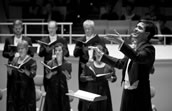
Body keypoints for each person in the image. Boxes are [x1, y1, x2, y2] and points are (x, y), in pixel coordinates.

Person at [94, 19, 157, 111]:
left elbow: (138, 57)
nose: (135, 29)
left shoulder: (149, 49)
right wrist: (103, 57)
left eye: (140, 28)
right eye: (136, 26)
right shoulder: (133, 49)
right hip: (127, 90)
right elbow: (120, 64)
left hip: (139, 92)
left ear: (147, 34)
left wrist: (121, 43)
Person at [73, 20, 109, 111]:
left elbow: (106, 53)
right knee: (83, 91)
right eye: (85, 29)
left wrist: (98, 49)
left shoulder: (99, 40)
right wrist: (81, 47)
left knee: (94, 91)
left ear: (93, 29)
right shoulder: (80, 40)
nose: (87, 31)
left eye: (89, 29)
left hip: (96, 69)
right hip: (83, 70)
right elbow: (75, 54)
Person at [2, 19, 34, 111]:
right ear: (13, 29)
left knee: (24, 92)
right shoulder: (9, 39)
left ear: (22, 28)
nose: (18, 30)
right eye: (16, 28)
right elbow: (4, 53)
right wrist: (11, 54)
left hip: (24, 68)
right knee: (12, 91)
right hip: (12, 68)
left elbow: (31, 54)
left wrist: (24, 55)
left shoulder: (28, 39)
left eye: (19, 28)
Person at [80, 44, 117, 111]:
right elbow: (82, 77)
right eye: (97, 52)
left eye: (100, 52)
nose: (99, 54)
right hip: (91, 92)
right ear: (94, 54)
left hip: (103, 92)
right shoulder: (89, 65)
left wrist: (111, 79)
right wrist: (89, 78)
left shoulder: (108, 66)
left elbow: (114, 78)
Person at [38, 20, 69, 92]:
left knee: (60, 90)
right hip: (48, 69)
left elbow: (67, 54)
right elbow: (40, 54)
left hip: (59, 68)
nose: (51, 30)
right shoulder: (44, 40)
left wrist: (62, 50)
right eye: (49, 28)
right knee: (48, 90)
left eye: (52, 28)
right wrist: (46, 50)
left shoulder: (62, 40)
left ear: (56, 28)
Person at [6, 40, 37, 111]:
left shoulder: (32, 61)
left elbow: (33, 74)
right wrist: (9, 70)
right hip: (15, 89)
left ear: (26, 49)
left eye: (22, 48)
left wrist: (25, 71)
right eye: (19, 48)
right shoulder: (15, 59)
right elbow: (11, 75)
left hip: (27, 90)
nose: (20, 50)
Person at [43, 43, 72, 111]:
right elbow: (47, 77)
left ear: (63, 51)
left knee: (62, 107)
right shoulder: (50, 63)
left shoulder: (67, 63)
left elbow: (69, 77)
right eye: (56, 50)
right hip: (52, 88)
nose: (57, 52)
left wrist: (66, 74)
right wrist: (51, 73)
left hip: (62, 88)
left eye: (59, 50)